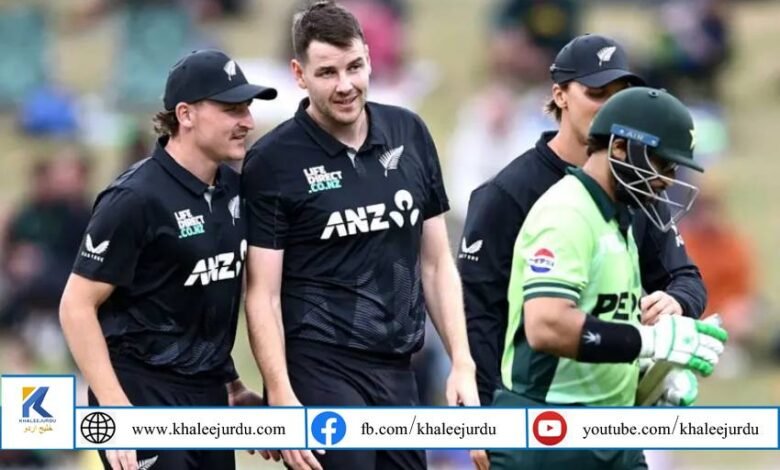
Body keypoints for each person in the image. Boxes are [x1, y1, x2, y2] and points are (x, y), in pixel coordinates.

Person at [241, 2, 479, 469]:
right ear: (299, 74)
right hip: (320, 366)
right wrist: (281, 394)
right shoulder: (273, 160)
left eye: (354, 67)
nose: (345, 85)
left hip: (398, 367)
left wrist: (461, 362)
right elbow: (262, 294)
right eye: (327, 73)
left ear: (369, 58)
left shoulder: (409, 132)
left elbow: (435, 265)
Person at [458, 34, 709, 408]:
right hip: (536, 406)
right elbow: (479, 316)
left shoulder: (637, 187)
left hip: (607, 408)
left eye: (619, 96)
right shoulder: (508, 194)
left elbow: (685, 278)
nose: (610, 107)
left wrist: (675, 305)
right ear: (559, 95)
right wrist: (488, 414)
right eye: (597, 93)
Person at [59, 49, 277, 470]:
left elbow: (195, 300)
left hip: (209, 397)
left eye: (247, 109)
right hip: (141, 394)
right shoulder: (134, 199)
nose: (248, 121)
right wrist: (115, 407)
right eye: (232, 109)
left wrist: (231, 384)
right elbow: (75, 307)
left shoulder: (235, 190)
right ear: (186, 114)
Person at [489, 86, 728, 469]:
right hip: (546, 432)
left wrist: (648, 378)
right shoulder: (567, 213)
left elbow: (602, 323)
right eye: (662, 165)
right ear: (618, 148)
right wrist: (649, 342)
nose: (667, 180)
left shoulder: (619, 219)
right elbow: (546, 326)